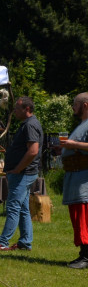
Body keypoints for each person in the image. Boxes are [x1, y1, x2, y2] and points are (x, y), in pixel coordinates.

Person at [0, 96, 43, 251]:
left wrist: (18, 169)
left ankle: (2, 242)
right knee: (23, 208)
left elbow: (33, 150)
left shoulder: (30, 125)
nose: (14, 111)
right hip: (23, 172)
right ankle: (25, 242)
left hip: (23, 173)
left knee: (13, 207)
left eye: (17, 108)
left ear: (26, 109)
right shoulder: (28, 124)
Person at [59, 93, 88, 269]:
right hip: (75, 177)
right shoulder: (82, 125)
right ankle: (83, 255)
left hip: (83, 179)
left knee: (84, 218)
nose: (72, 107)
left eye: (75, 104)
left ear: (85, 105)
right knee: (78, 217)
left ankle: (86, 257)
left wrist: (73, 145)